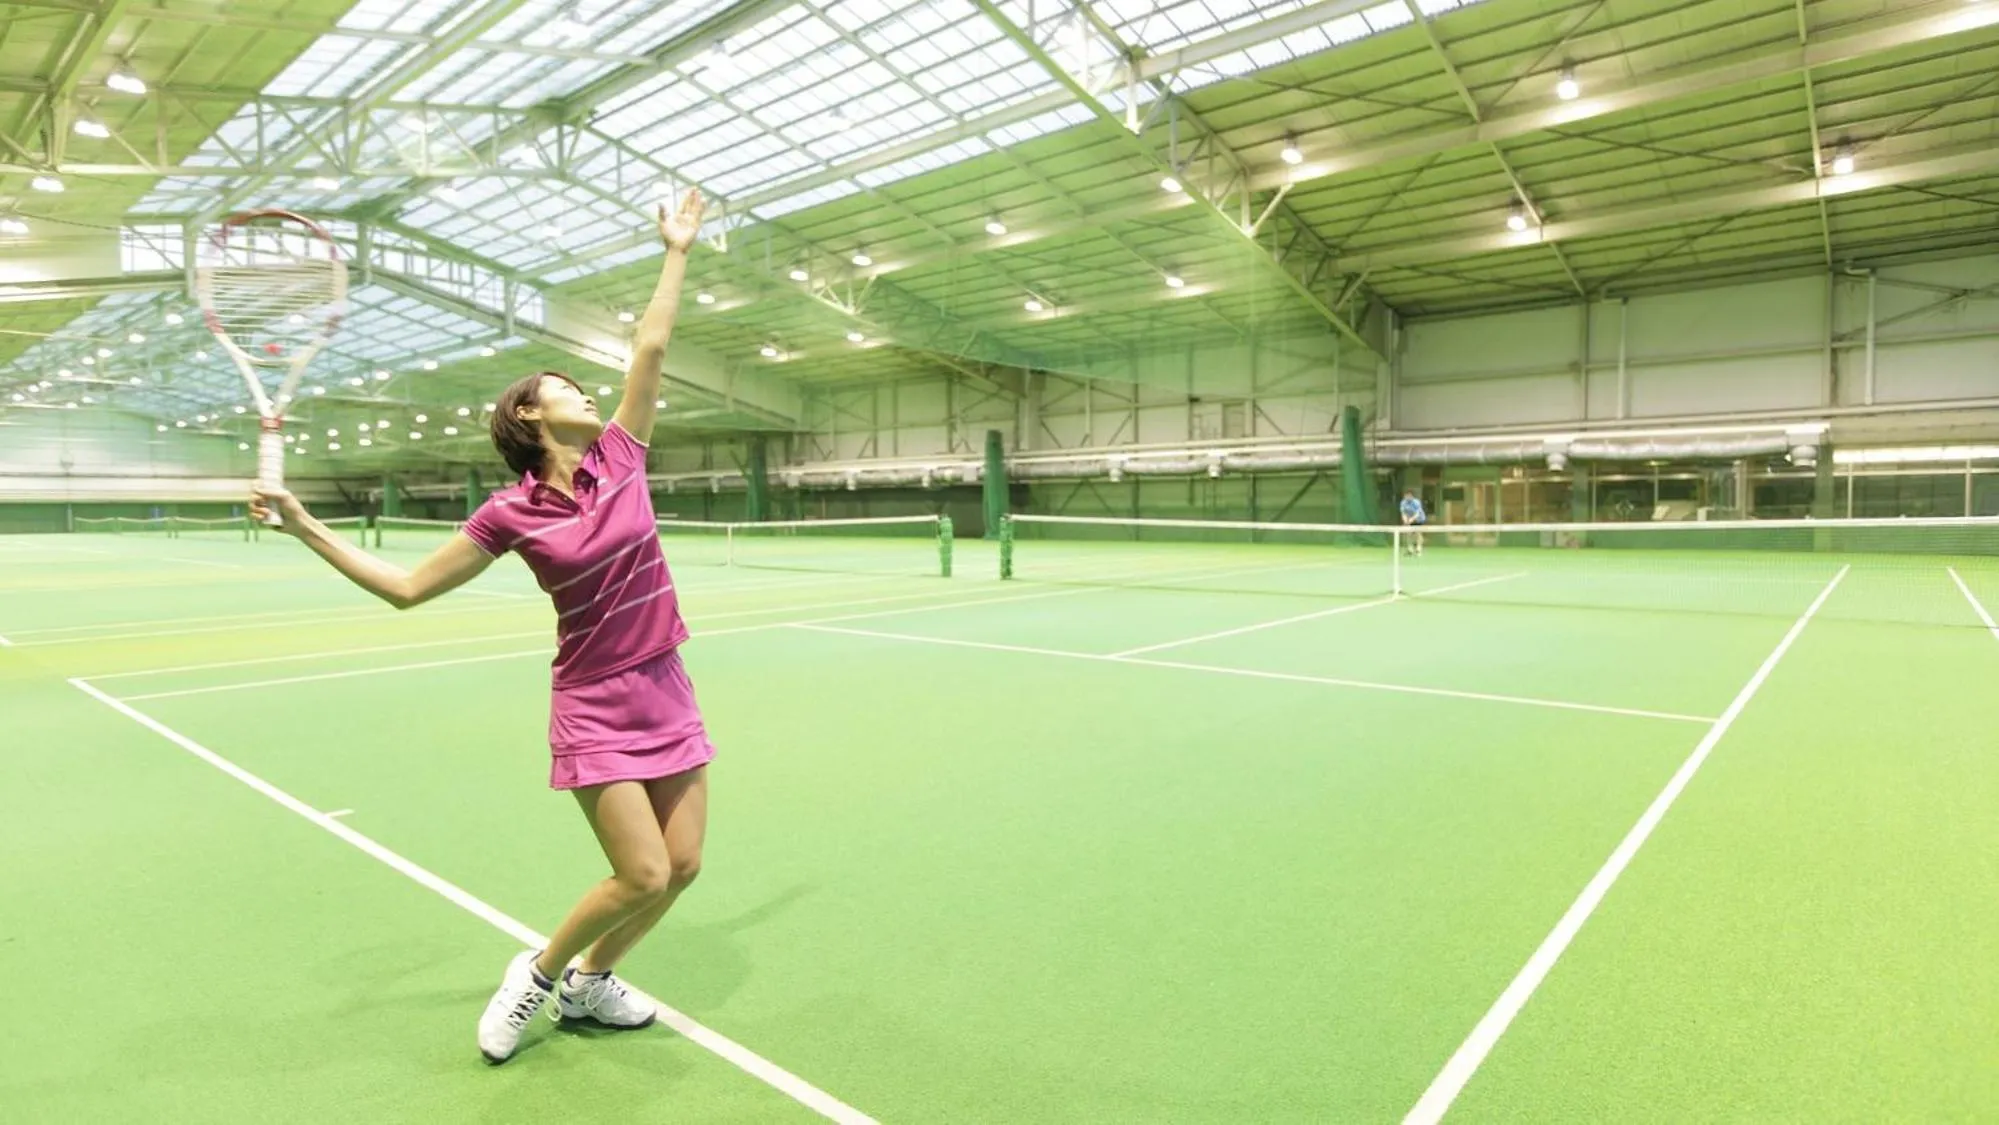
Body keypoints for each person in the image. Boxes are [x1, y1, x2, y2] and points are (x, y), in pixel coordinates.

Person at [250, 190, 711, 1064]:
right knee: (640, 872)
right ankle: (537, 974)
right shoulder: (508, 513)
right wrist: (304, 523)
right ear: (531, 416)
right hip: (594, 701)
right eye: (564, 387)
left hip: (666, 683)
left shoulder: (623, 456)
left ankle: (590, 984)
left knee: (682, 866)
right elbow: (407, 588)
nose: (586, 392)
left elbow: (650, 346)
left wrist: (676, 250)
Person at [1398, 488, 1426, 556]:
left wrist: (1411, 520)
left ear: (1412, 496)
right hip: (1409, 519)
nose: (1407, 497)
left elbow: (1417, 514)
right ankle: (1410, 549)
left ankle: (1418, 549)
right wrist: (1405, 520)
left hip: (1419, 519)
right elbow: (1403, 513)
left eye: (1409, 495)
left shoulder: (1416, 502)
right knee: (1408, 533)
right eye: (1406, 495)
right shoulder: (1403, 502)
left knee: (1417, 533)